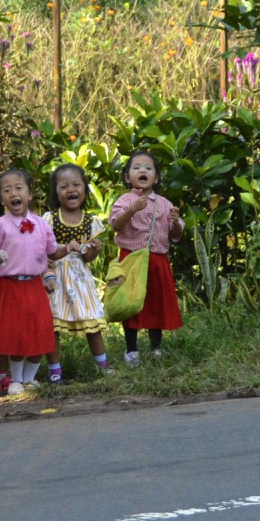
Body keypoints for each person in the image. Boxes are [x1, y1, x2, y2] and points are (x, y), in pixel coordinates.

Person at [0, 169, 75, 395]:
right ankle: (16, 379)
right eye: (7, 190)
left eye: (19, 188)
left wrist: (68, 248)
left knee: (38, 331)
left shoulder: (41, 224)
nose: (14, 193)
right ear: (2, 199)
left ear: (29, 194)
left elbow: (53, 251)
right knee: (14, 333)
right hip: (8, 287)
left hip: (34, 286)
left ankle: (30, 379)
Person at [107, 150, 184, 366]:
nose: (143, 171)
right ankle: (131, 350)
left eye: (148, 168)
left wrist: (177, 221)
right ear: (127, 176)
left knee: (156, 303)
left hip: (157, 261)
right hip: (131, 259)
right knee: (130, 301)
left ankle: (156, 347)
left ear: (156, 178)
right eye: (137, 167)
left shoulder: (165, 203)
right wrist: (131, 209)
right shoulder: (125, 200)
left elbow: (175, 234)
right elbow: (115, 225)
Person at [40, 163, 111, 381]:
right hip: (57, 276)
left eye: (76, 185)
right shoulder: (50, 219)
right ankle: (55, 371)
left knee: (92, 323)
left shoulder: (91, 222)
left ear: (85, 190)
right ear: (56, 193)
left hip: (80, 278)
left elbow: (86, 257)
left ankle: (103, 365)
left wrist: (94, 252)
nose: (71, 190)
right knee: (54, 324)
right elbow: (45, 251)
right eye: (64, 186)